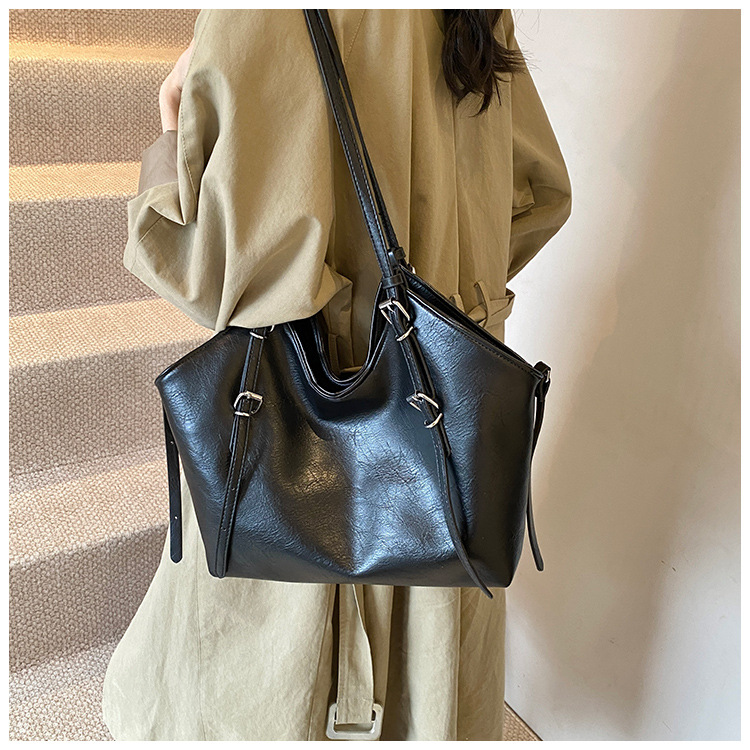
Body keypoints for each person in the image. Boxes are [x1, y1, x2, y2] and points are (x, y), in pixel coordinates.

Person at [102, 9, 571, 741]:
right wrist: (444, 301)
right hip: (445, 430)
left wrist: (170, 131)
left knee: (270, 686)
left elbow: (215, 266)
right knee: (430, 672)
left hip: (298, 435)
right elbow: (536, 195)